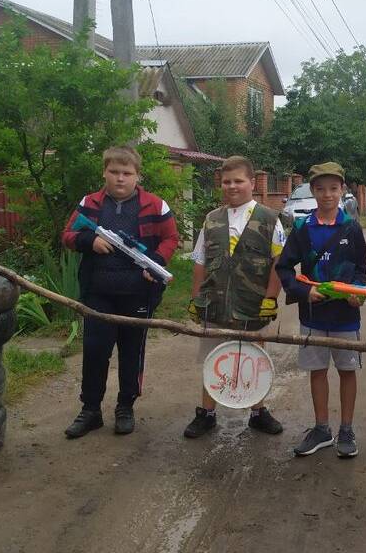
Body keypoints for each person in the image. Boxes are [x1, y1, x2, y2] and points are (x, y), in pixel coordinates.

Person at [61, 145, 179, 438]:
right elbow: (68, 234)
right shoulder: (89, 203)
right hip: (98, 294)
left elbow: (171, 238)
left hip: (139, 293)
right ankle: (90, 410)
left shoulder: (156, 205)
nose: (120, 178)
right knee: (95, 352)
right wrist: (90, 242)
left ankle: (125, 407)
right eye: (114, 172)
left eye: (127, 173)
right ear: (104, 172)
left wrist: (155, 264)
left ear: (138, 175)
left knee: (131, 354)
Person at [183, 155, 286, 438]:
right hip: (214, 304)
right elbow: (200, 261)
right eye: (227, 182)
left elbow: (279, 262)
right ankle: (206, 414)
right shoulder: (211, 219)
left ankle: (258, 412)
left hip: (253, 306)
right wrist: (195, 299)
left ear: (252, 183)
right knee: (212, 358)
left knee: (254, 359)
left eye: (238, 181)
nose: (232, 186)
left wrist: (270, 298)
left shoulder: (269, 219)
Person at [276, 162, 366, 458]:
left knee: (347, 371)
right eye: (320, 189)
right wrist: (306, 291)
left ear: (343, 190)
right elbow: (284, 268)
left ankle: (346, 428)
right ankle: (321, 428)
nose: (327, 195)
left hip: (346, 317)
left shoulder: (352, 228)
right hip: (313, 315)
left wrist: (357, 293)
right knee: (317, 371)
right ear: (312, 191)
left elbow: (363, 270)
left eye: (333, 188)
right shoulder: (302, 228)